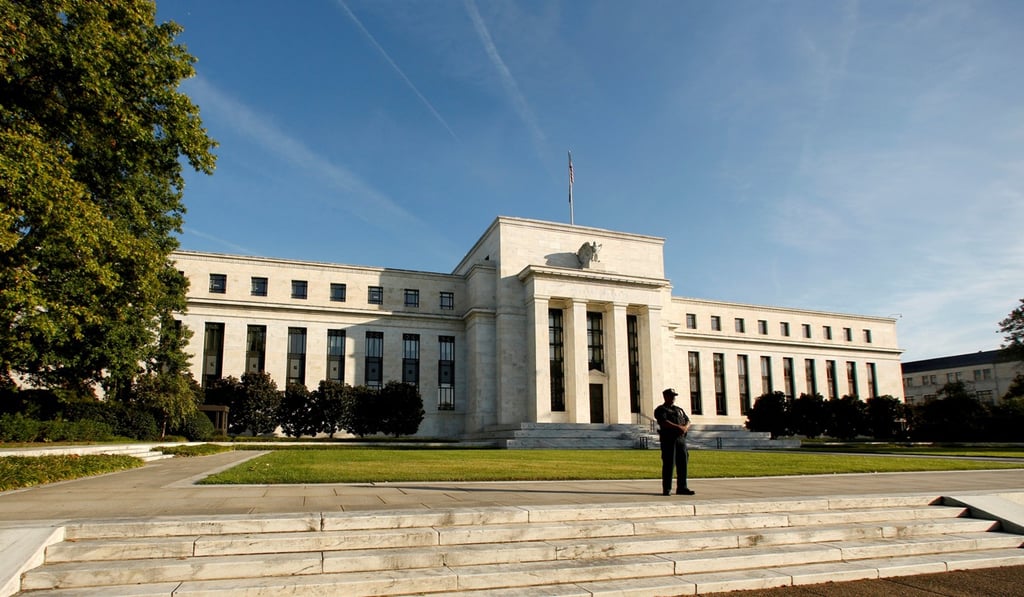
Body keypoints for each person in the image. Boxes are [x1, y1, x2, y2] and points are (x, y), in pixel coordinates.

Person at [654, 388, 694, 496]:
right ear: (665, 396)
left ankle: (682, 487)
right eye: (671, 396)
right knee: (669, 464)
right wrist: (678, 427)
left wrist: (685, 427)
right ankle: (667, 488)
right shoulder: (661, 409)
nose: (673, 398)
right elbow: (663, 422)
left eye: (674, 396)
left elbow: (687, 420)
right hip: (668, 440)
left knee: (683, 464)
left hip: (681, 440)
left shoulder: (679, 410)